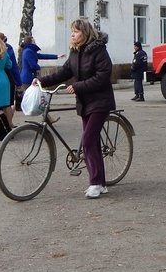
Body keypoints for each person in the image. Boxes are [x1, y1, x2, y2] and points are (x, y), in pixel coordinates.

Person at [34, 17, 116, 198]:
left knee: (87, 141)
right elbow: (63, 73)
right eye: (72, 30)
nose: (72, 34)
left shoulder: (99, 51)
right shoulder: (75, 53)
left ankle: (95, 183)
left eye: (76, 31)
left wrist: (78, 86)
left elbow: (103, 76)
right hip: (85, 102)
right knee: (91, 141)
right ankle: (101, 183)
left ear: (85, 33)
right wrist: (41, 80)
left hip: (100, 101)